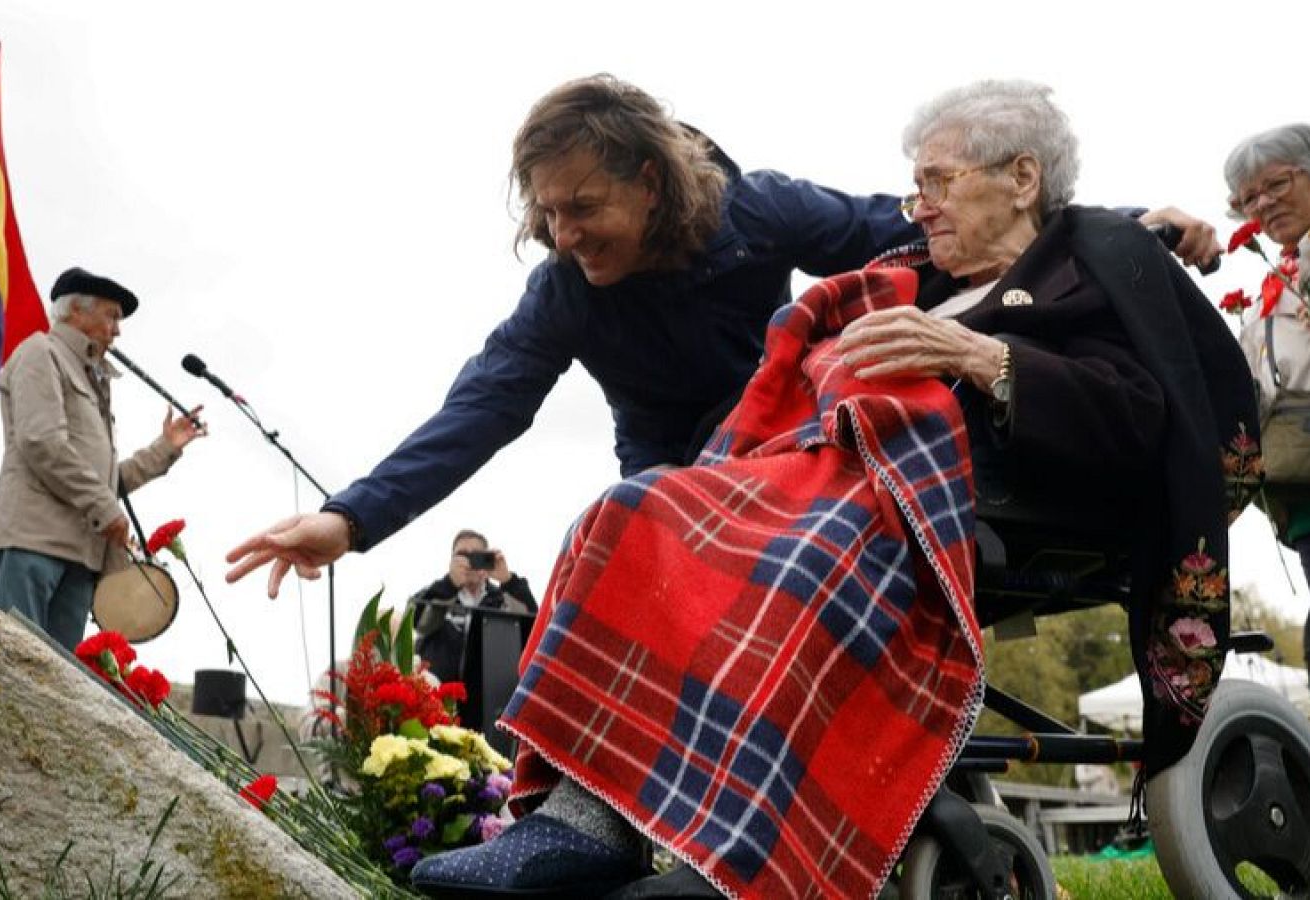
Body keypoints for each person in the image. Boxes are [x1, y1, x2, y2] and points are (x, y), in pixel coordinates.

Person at [400, 80, 1253, 899]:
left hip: (936, 488)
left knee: (796, 559)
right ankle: (580, 822)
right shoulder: (914, 276)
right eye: (914, 184)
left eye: (935, 182)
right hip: (800, 467)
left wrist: (972, 355)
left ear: (1022, 178)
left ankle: (738, 860)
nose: (914, 205)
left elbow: (1146, 414)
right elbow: (490, 398)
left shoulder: (1093, 267)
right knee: (630, 513)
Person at [225, 73, 1218, 598]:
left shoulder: (758, 213)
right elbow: (479, 410)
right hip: (669, 450)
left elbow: (922, 227)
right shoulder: (565, 295)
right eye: (548, 216)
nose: (564, 237)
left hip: (776, 426)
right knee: (635, 541)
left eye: (582, 209)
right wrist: (350, 521)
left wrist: (1136, 225)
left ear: (649, 183)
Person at [0, 267, 205, 650]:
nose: (118, 330)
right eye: (112, 315)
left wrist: (166, 447)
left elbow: (103, 483)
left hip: (82, 555)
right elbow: (42, 444)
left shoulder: (92, 374)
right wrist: (105, 508)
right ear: (75, 311)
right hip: (33, 540)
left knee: (58, 685)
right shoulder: (40, 352)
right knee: (14, 667)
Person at [1222, 123, 1310, 729]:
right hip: (1304, 494)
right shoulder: (1280, 280)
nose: (1262, 205)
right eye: (1247, 198)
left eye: (1275, 184)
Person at [409, 529, 536, 684]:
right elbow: (417, 623)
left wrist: (508, 581)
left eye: (476, 556)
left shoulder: (504, 600)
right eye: (462, 555)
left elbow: (534, 628)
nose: (468, 562)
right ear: (452, 561)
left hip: (492, 698)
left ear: (487, 560)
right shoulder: (434, 593)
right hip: (440, 698)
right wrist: (449, 584)